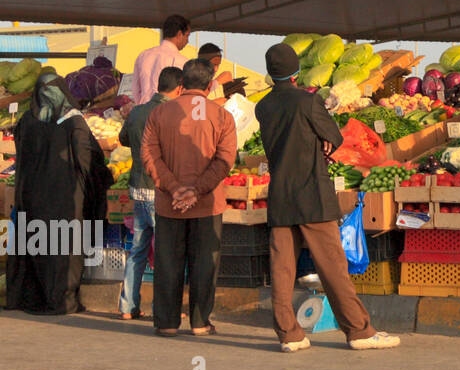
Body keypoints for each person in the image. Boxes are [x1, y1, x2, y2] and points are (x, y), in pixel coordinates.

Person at [256, 42, 398, 352]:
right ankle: (359, 331)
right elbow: (334, 136)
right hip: (312, 194)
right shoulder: (308, 102)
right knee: (333, 266)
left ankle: (289, 335)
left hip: (281, 195)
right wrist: (322, 143)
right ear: (296, 72)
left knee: (282, 269)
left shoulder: (263, 107)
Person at [140, 58, 237, 336]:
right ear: (210, 85)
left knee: (168, 263)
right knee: (204, 264)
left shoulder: (159, 114)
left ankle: (168, 323)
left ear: (181, 84)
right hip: (207, 204)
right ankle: (200, 322)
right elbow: (224, 160)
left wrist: (173, 187)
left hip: (169, 204)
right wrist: (197, 189)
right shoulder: (222, 116)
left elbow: (149, 155)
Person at [4, 74, 110, 315]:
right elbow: (88, 161)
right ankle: (61, 299)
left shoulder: (27, 122)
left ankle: (29, 297)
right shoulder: (74, 123)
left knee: (34, 247)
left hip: (30, 198)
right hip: (65, 199)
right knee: (64, 250)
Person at [117, 65, 183, 320]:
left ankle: (127, 306)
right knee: (165, 251)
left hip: (137, 187)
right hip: (159, 190)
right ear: (179, 88)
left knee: (138, 249)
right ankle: (162, 308)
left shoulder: (137, 112)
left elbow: (123, 139)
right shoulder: (173, 113)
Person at [129, 14, 190, 109]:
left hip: (143, 111)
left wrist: (142, 108)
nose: (187, 41)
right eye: (187, 36)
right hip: (165, 114)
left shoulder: (143, 55)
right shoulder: (181, 61)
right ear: (179, 34)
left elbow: (135, 90)